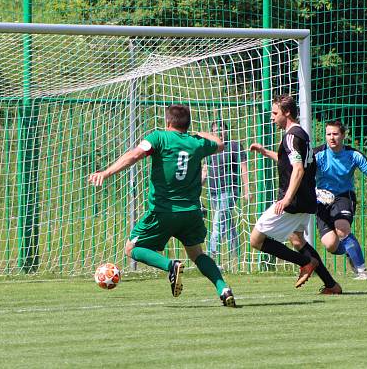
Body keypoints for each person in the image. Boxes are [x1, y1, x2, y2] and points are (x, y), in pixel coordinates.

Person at [88, 104, 238, 307]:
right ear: (187, 124)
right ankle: (223, 288)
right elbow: (219, 143)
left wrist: (105, 173)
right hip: (191, 213)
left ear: (168, 122)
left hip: (163, 212)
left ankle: (170, 265)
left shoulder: (159, 137)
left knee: (132, 248)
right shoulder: (197, 143)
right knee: (197, 254)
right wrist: (199, 133)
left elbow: (134, 155)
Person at [248, 94, 342, 295]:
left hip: (294, 201)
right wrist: (265, 152)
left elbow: (298, 169)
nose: (272, 117)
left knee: (256, 240)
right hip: (306, 200)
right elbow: (292, 163)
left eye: (275, 113)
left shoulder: (290, 136)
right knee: (298, 240)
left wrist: (287, 198)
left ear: (287, 112)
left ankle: (305, 262)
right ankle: (331, 285)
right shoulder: (302, 134)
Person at [314, 120, 367, 280]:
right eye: (328, 134)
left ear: (343, 135)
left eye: (335, 134)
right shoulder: (317, 154)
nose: (331, 137)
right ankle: (348, 249)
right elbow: (300, 171)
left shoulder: (353, 155)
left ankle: (362, 270)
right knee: (330, 244)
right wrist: (315, 192)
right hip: (321, 200)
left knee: (342, 229)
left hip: (343, 197)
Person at [202, 121, 250, 259]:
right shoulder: (210, 148)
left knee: (218, 222)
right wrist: (197, 186)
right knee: (228, 223)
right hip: (213, 191)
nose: (219, 132)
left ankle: (210, 256)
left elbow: (243, 168)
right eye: (216, 130)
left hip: (229, 190)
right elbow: (205, 170)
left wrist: (247, 189)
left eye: (222, 130)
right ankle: (237, 255)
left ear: (226, 131)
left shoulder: (234, 146)